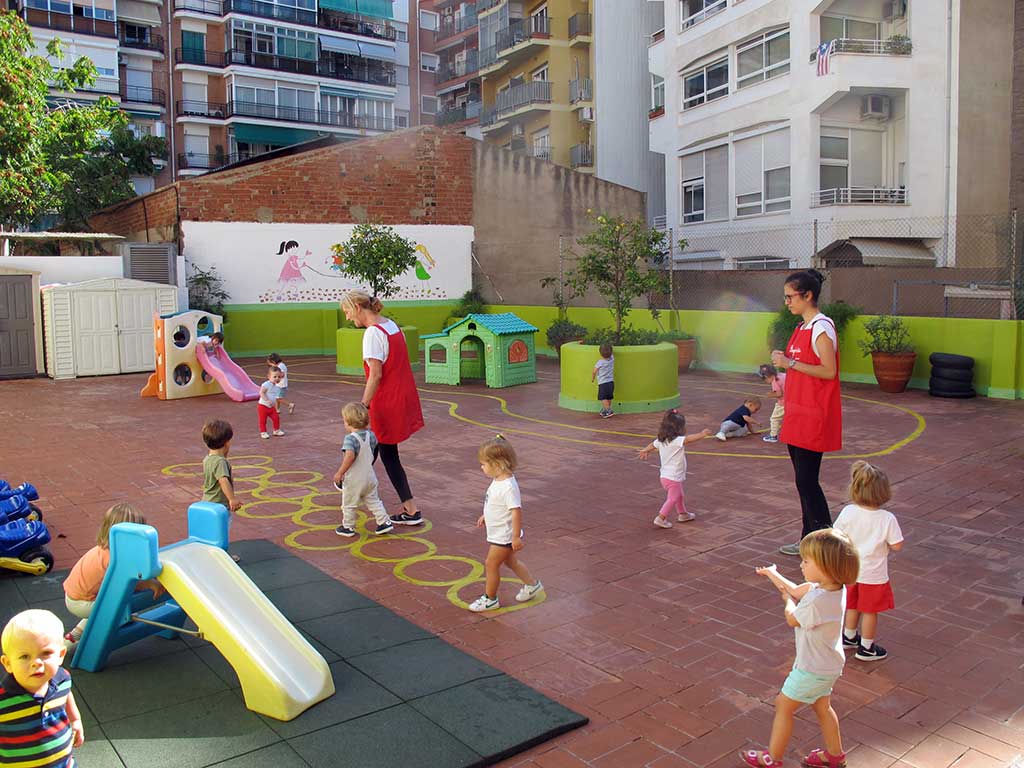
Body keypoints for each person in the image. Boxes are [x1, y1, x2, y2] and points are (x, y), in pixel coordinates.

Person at [743, 529, 860, 768]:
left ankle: (772, 759)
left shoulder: (818, 601)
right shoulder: (830, 588)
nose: (801, 565)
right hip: (827, 665)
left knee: (783, 706)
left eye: (806, 561)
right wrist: (772, 574)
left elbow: (792, 618)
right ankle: (834, 756)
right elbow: (796, 589)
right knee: (822, 706)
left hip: (811, 668)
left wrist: (787, 601)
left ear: (826, 567)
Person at [772, 269, 843, 557]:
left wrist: (790, 363)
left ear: (808, 296)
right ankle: (808, 540)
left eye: (791, 297)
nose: (787, 302)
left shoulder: (821, 327)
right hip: (797, 412)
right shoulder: (802, 328)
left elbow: (828, 370)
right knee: (803, 480)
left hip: (814, 414)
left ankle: (825, 541)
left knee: (807, 480)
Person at [341, 290, 425, 526]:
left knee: (368, 451)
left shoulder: (372, 333)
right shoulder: (391, 326)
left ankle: (352, 500)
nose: (348, 318)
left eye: (347, 312)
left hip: (384, 401)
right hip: (401, 396)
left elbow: (375, 375)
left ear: (358, 307)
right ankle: (408, 509)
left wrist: (363, 405)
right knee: (382, 453)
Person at [62, 503, 163, 649]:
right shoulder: (114, 560)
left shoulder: (107, 550)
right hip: (81, 603)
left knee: (109, 605)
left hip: (76, 596)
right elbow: (125, 583)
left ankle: (74, 635)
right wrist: (149, 583)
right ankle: (85, 639)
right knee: (119, 608)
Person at [833, 461, 904, 662]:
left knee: (852, 605)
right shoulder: (887, 518)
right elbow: (897, 545)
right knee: (870, 611)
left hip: (851, 570)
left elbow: (836, 534)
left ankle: (848, 636)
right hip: (874, 574)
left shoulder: (848, 511)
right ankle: (866, 647)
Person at [0, 609, 85, 766]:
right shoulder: (3, 700)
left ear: (60, 655)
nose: (36, 662)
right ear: (8, 663)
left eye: (45, 653)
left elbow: (67, 695)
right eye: (25, 656)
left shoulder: (62, 679)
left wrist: (76, 720)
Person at [468, 435, 543, 612]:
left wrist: (515, 537)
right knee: (511, 563)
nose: (482, 467)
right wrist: (486, 515)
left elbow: (516, 511)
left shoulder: (508, 486)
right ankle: (532, 585)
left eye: (484, 464)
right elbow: (496, 504)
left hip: (505, 536)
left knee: (491, 564)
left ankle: (490, 598)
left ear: (498, 464)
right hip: (501, 533)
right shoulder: (498, 480)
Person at [638, 409, 713, 529]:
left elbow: (652, 445)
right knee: (673, 498)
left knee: (679, 495)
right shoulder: (677, 440)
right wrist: (702, 434)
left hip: (665, 476)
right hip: (673, 477)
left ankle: (683, 514)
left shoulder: (661, 440)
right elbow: (688, 439)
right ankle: (661, 518)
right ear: (679, 429)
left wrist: (645, 450)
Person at [333, 402, 392, 537]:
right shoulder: (371, 435)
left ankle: (348, 526)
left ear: (348, 422)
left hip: (355, 478)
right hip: (370, 476)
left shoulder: (350, 439)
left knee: (349, 503)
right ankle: (384, 522)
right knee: (373, 500)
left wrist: (340, 472)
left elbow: (350, 456)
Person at [202, 419, 242, 513]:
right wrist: (232, 499)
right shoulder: (220, 462)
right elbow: (223, 480)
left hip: (207, 500)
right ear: (227, 443)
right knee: (222, 527)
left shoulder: (208, 459)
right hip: (219, 505)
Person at [760, 364, 786, 443]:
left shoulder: (775, 381)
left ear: (768, 376)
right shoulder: (783, 375)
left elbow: (779, 394)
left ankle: (773, 436)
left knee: (774, 418)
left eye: (764, 379)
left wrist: (770, 394)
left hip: (783, 403)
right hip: (792, 401)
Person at [258, 365, 286, 439]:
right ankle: (263, 432)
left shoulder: (277, 387)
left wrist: (276, 406)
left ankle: (276, 430)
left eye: (279, 377)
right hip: (263, 406)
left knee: (276, 418)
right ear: (269, 376)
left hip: (271, 407)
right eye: (275, 377)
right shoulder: (266, 384)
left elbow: (276, 398)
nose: (277, 378)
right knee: (263, 420)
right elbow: (261, 393)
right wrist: (267, 400)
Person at [591, 343, 615, 418]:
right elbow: (612, 353)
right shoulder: (612, 359)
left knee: (603, 397)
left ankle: (608, 410)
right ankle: (605, 409)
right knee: (609, 397)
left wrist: (593, 378)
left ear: (600, 353)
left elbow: (594, 371)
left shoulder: (600, 362)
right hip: (611, 382)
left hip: (603, 383)